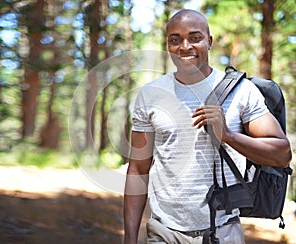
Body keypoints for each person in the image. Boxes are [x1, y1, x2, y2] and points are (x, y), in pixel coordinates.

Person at [123, 9, 292, 244]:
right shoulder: (151, 95)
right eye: (175, 40)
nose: (185, 47)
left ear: (209, 41)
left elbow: (282, 155)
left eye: (195, 37)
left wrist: (229, 135)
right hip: (164, 233)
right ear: (167, 45)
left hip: (223, 233)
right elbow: (138, 170)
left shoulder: (241, 91)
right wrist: (130, 238)